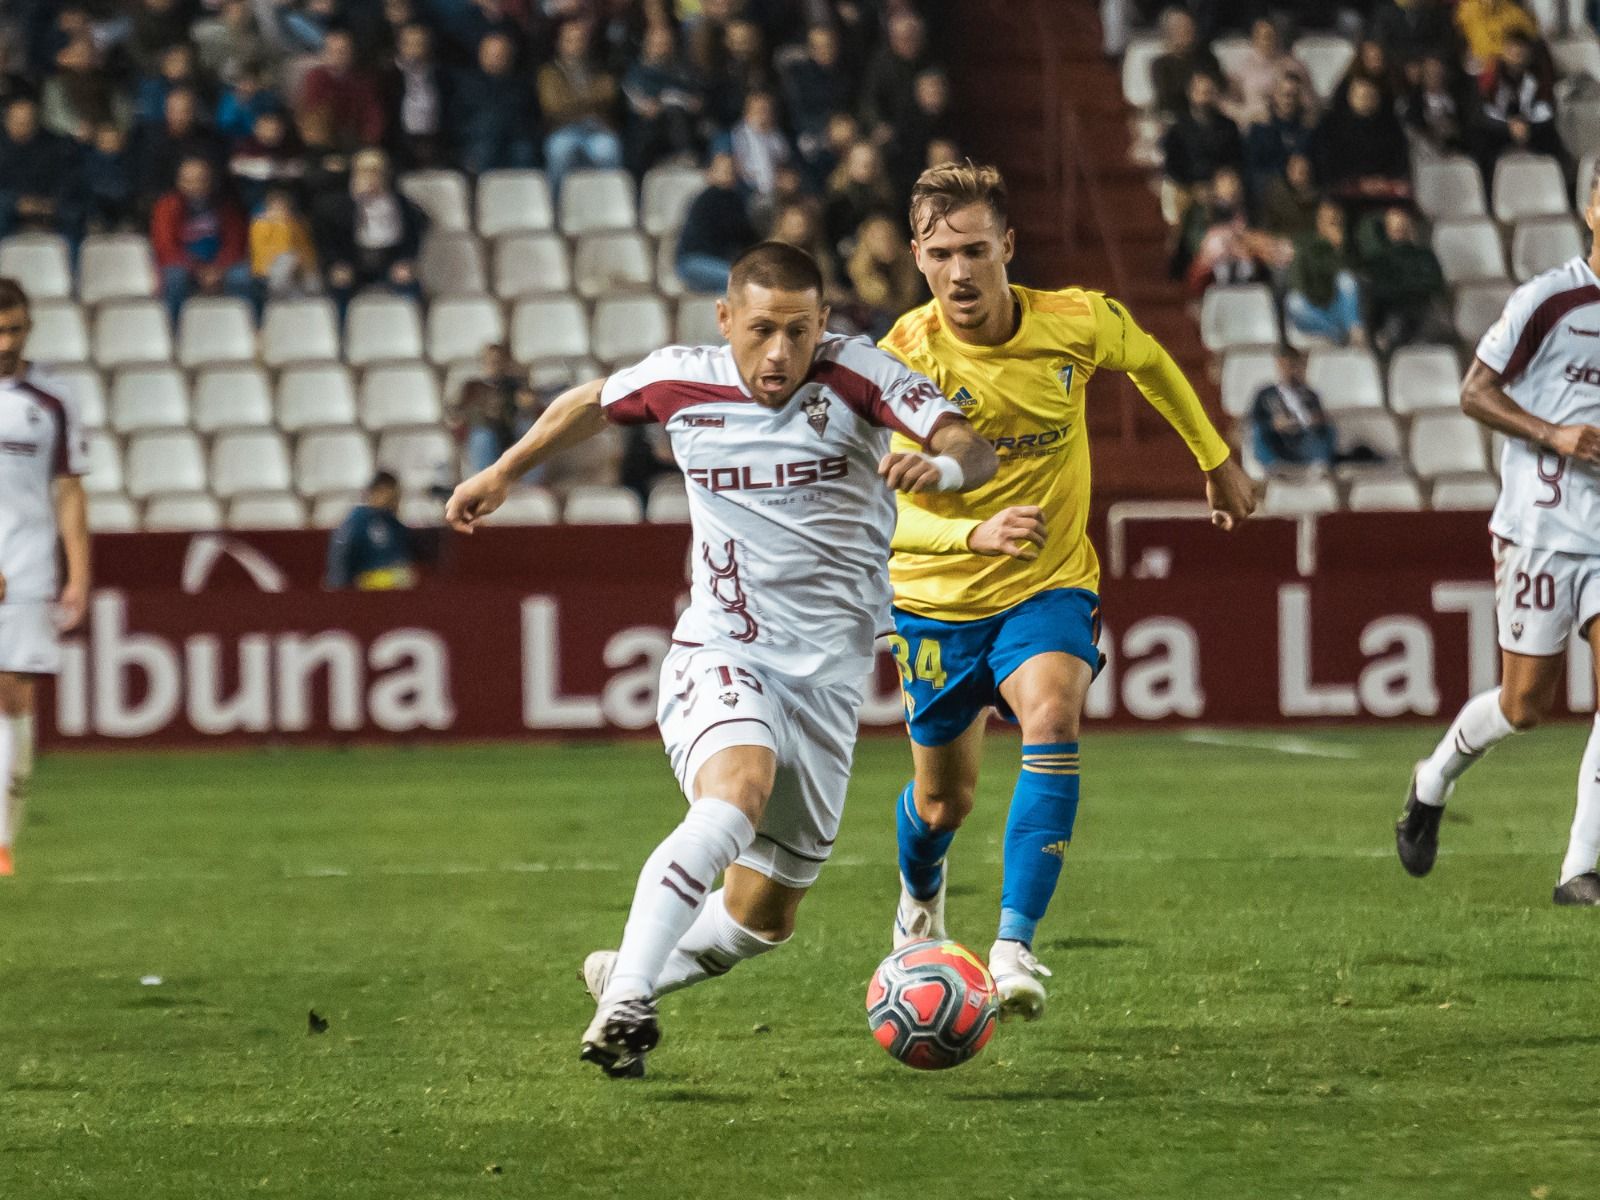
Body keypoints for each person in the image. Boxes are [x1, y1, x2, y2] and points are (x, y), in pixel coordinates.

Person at [444, 241, 998, 1077]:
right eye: (762, 329)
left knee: (761, 919)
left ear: (823, 324)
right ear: (725, 319)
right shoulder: (682, 379)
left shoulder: (859, 375)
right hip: (725, 652)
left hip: (829, 684)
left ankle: (625, 974)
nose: (780, 352)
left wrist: (945, 468)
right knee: (736, 791)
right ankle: (629, 1002)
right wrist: (503, 471)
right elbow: (592, 401)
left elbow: (970, 443)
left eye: (799, 331)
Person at [880, 163, 1257, 1018]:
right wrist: (970, 532)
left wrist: (1215, 459)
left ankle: (1012, 948)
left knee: (1052, 715)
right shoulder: (901, 360)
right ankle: (919, 896)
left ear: (1008, 247)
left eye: (976, 250)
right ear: (917, 258)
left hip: (1046, 584)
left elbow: (1152, 360)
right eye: (941, 254)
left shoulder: (1075, 322)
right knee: (942, 803)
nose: (960, 272)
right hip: (936, 599)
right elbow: (886, 518)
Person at [1397, 163, 1600, 904]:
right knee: (1525, 706)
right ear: (1591, 209)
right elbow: (1474, 393)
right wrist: (1554, 433)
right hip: (1541, 529)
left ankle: (1579, 869)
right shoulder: (1550, 300)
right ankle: (1432, 781)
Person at [0, 278, 90, 877]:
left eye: (15, 330)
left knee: (13, 692)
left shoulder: (53, 397)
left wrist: (78, 574)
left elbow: (70, 489)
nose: (6, 342)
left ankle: (2, 840)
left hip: (26, 565)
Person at [311, 147, 426, 320]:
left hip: (389, 261)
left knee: (410, 287)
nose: (371, 178)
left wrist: (406, 260)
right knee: (338, 290)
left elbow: (415, 231)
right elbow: (327, 239)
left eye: (376, 172)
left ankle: (412, 326)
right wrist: (335, 264)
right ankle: (341, 330)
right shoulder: (337, 205)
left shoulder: (400, 204)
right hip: (352, 263)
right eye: (365, 172)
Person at [150, 155, 254, 321]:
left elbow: (235, 241)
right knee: (174, 278)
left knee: (242, 277)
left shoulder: (225, 205)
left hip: (219, 263)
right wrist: (198, 270)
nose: (195, 186)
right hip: (185, 264)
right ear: (179, 182)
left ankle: (247, 326)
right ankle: (172, 327)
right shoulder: (166, 206)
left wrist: (219, 268)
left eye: (201, 180)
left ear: (210, 181)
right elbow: (165, 246)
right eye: (188, 181)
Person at [537, 20, 623, 198]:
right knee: (560, 150)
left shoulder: (598, 69)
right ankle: (556, 204)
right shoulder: (549, 73)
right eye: (570, 40)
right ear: (560, 43)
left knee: (608, 149)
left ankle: (608, 201)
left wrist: (572, 101)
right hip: (564, 128)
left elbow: (609, 95)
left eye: (580, 40)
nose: (576, 45)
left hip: (597, 128)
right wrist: (591, 100)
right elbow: (554, 106)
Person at [1361, 205, 1450, 352]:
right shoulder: (1380, 261)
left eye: (1402, 225)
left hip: (1424, 313)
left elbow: (1434, 284)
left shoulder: (1424, 256)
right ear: (1386, 230)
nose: (1399, 230)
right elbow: (1381, 292)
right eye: (1394, 228)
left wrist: (1406, 286)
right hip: (1393, 315)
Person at [450, 341, 538, 476]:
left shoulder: (513, 385)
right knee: (482, 437)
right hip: (484, 434)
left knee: (530, 430)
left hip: (509, 432)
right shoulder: (472, 387)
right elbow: (457, 414)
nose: (494, 365)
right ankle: (486, 477)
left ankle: (529, 480)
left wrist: (526, 403)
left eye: (498, 361)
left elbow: (528, 405)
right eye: (489, 361)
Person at [1286, 199, 1366, 346]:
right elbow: (1298, 281)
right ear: (1318, 221)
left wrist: (1338, 250)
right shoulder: (1306, 244)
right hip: (1314, 310)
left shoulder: (1349, 245)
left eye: (1335, 220)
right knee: (1294, 302)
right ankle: (1337, 334)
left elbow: (1354, 276)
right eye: (1326, 219)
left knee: (1346, 279)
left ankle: (1354, 330)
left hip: (1339, 309)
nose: (1330, 224)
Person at [674, 152, 756, 294]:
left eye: (731, 169)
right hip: (693, 262)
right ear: (710, 173)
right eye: (723, 170)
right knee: (738, 281)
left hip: (718, 262)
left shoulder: (736, 200)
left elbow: (746, 236)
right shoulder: (706, 200)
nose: (728, 173)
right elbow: (734, 232)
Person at [325, 470, 417, 590]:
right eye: (391, 496)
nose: (394, 502)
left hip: (391, 585)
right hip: (363, 584)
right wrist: (339, 587)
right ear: (376, 492)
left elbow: (402, 558)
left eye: (396, 497)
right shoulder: (357, 520)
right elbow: (341, 555)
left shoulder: (393, 524)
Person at [1249, 345, 1337, 470]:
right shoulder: (1265, 395)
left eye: (1291, 366)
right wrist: (1274, 424)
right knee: (1258, 431)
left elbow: (1319, 419)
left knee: (1329, 429)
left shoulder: (1310, 395)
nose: (1288, 370)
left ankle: (1319, 463)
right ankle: (1272, 465)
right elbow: (1254, 420)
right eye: (1283, 366)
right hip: (1277, 441)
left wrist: (1315, 420)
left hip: (1303, 438)